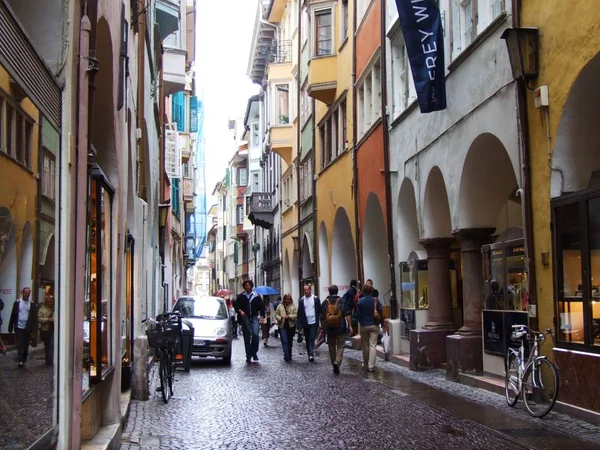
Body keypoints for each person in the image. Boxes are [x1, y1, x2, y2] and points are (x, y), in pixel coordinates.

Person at [320, 285, 353, 375]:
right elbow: (347, 314)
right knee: (341, 345)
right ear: (337, 291)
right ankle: (337, 362)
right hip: (340, 327)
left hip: (329, 328)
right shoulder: (342, 301)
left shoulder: (325, 302)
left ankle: (333, 363)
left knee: (331, 346)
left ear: (329, 292)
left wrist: (322, 327)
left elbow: (322, 316)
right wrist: (350, 326)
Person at [233, 280, 264, 363]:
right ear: (244, 287)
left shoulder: (256, 296)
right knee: (246, 337)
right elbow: (235, 305)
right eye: (246, 285)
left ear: (251, 286)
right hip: (245, 318)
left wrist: (262, 316)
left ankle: (254, 352)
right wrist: (240, 311)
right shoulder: (241, 296)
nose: (247, 286)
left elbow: (261, 306)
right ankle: (248, 355)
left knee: (255, 335)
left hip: (254, 317)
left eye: (249, 285)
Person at [8, 287, 39, 367]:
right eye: (26, 293)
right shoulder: (17, 302)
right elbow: (13, 315)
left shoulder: (32, 304)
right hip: (19, 327)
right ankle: (20, 360)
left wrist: (34, 331)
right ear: (22, 293)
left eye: (29, 293)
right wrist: (10, 327)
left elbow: (35, 319)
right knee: (20, 343)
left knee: (25, 344)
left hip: (28, 327)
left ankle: (24, 357)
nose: (27, 294)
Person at [356, 285, 382, 372]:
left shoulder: (360, 301)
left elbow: (358, 314)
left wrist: (361, 322)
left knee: (365, 345)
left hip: (364, 325)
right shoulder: (375, 300)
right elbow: (380, 311)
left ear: (363, 292)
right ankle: (371, 366)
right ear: (371, 291)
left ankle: (366, 363)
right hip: (374, 324)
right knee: (373, 345)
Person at [296, 284, 321, 362]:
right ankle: (309, 352)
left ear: (310, 290)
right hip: (305, 323)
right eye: (305, 290)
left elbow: (319, 310)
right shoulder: (301, 300)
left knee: (312, 338)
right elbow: (299, 313)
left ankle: (311, 354)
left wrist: (321, 321)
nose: (306, 291)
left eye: (307, 290)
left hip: (313, 322)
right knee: (307, 339)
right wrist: (298, 325)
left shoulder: (316, 299)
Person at [275, 293, 297, 362]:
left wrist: (290, 316)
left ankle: (289, 354)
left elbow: (296, 315)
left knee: (290, 341)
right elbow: (276, 315)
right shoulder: (280, 306)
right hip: (282, 326)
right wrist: (280, 318)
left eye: (289, 299)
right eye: (286, 299)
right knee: (284, 341)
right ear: (284, 299)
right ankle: (286, 355)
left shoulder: (293, 306)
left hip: (291, 326)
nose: (287, 300)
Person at [38, 293, 55, 365]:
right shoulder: (42, 309)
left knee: (52, 344)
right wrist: (48, 319)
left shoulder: (56, 308)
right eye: (48, 301)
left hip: (54, 329)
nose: (50, 303)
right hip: (46, 329)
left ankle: (50, 360)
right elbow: (39, 319)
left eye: (51, 301)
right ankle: (48, 359)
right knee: (47, 345)